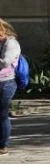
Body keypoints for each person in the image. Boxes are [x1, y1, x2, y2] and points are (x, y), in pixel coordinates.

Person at [0, 18, 21, 156]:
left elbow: (5, 62)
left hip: (5, 83)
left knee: (1, 114)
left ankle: (2, 146)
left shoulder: (11, 43)